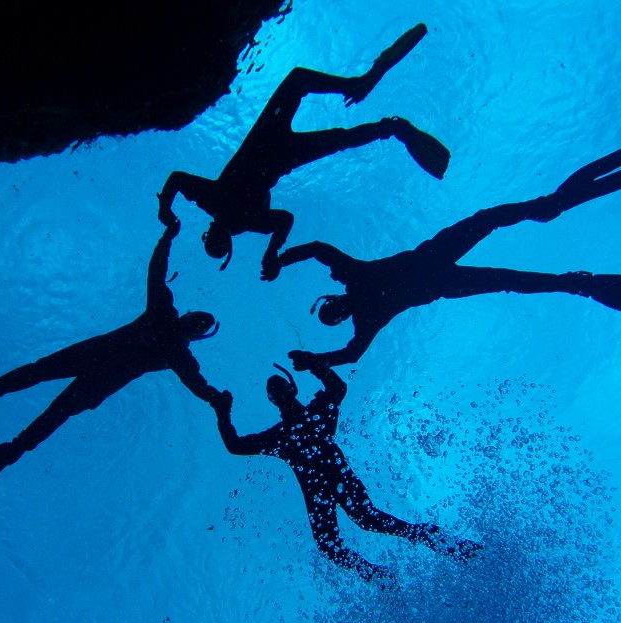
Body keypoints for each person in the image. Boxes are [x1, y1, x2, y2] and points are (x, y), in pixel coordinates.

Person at [0, 222, 222, 494]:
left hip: (96, 364)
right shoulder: (173, 339)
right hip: (98, 368)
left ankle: (0, 423)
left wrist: (167, 237)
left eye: (200, 323)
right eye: (199, 319)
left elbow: (197, 382)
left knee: (51, 399)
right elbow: (157, 274)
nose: (196, 322)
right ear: (191, 320)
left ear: (193, 328)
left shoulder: (172, 335)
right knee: (49, 396)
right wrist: (216, 399)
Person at [278, 148, 621, 369]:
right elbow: (351, 351)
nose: (339, 311)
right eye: (335, 314)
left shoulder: (356, 284)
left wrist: (281, 259)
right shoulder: (363, 303)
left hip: (437, 267)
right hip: (440, 273)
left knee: (497, 246)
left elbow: (318, 249)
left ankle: (567, 261)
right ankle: (572, 272)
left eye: (332, 310)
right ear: (339, 311)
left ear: (333, 301)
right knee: (501, 258)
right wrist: (314, 360)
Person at [158, 22, 450, 281]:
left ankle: (372, 104)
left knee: (315, 103)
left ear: (208, 233)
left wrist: (166, 209)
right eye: (219, 244)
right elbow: (283, 219)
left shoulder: (218, 205)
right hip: (277, 152)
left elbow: (177, 179)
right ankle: (387, 123)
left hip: (268, 143)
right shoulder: (230, 212)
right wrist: (271, 252)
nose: (217, 237)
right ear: (227, 244)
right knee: (334, 130)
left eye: (211, 240)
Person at [209, 357, 481, 585]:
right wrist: (315, 365)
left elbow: (338, 388)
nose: (279, 395)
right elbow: (337, 388)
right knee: (345, 534)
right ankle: (386, 572)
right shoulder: (305, 421)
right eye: (275, 392)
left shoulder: (290, 430)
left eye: (279, 389)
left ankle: (404, 560)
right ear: (280, 396)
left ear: (287, 391)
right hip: (329, 482)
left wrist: (223, 413)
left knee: (358, 526)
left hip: (324, 484)